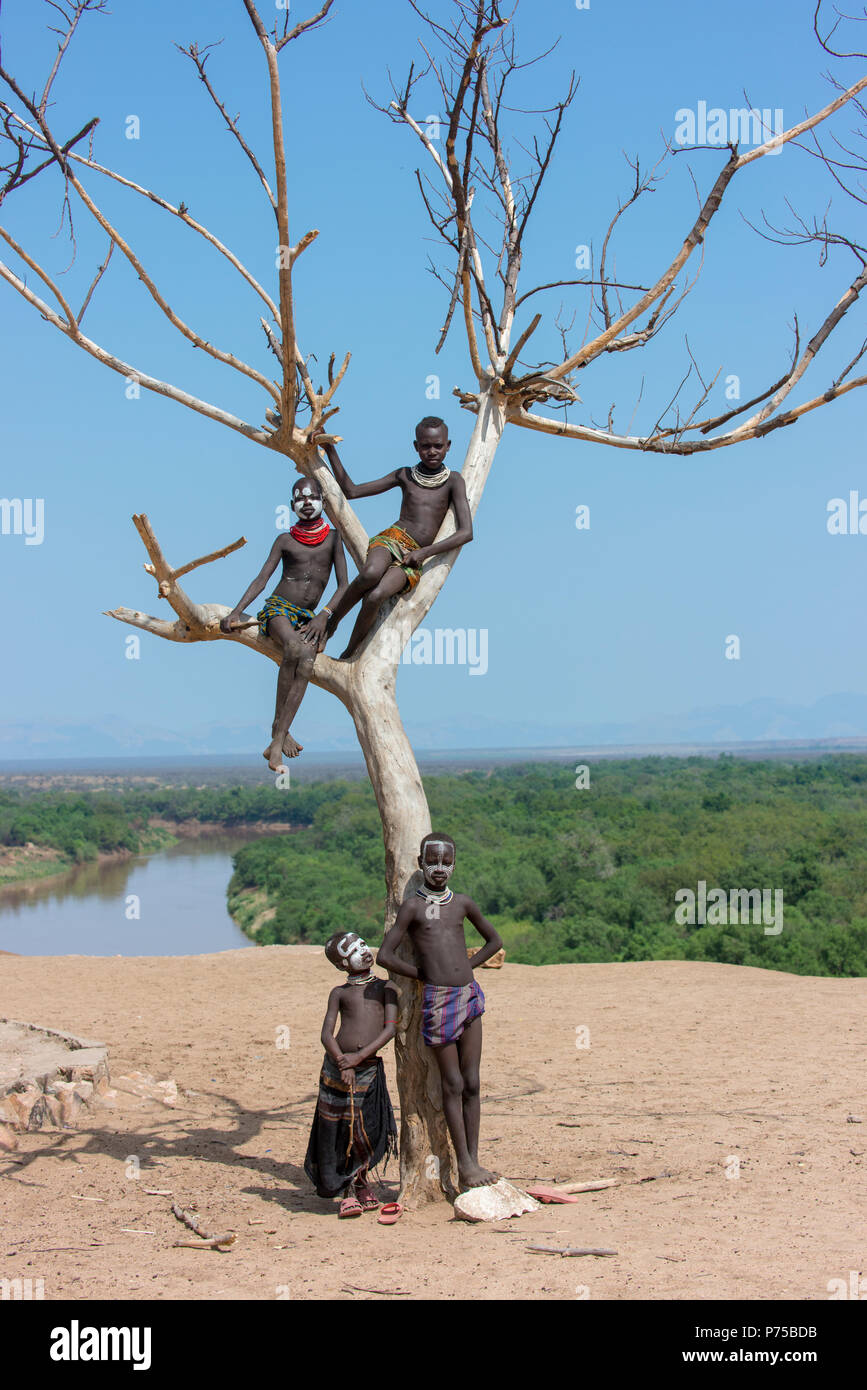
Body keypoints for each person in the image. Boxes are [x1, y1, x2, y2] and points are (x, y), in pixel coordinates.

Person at [376, 833, 503, 1192]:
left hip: (469, 996)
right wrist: (424, 976)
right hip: (438, 1001)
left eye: (446, 862)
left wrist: (468, 966)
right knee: (453, 1083)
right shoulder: (413, 908)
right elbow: (384, 956)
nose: (439, 869)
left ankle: (474, 1159)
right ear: (420, 863)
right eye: (432, 862)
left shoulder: (462, 903)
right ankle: (463, 1164)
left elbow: (495, 940)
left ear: (455, 864)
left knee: (473, 1082)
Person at [313, 417, 473, 658]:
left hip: (416, 556)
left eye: (438, 446)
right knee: (370, 574)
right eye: (425, 446)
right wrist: (331, 450)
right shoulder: (405, 475)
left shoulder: (454, 481)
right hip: (393, 539)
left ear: (448, 445)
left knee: (376, 595)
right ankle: (331, 624)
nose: (432, 451)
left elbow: (466, 532)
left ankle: (349, 653)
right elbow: (352, 491)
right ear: (415, 446)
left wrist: (422, 553)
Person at [220, 478, 348, 771]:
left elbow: (344, 586)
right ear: (292, 506)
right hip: (278, 608)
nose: (306, 502)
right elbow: (262, 578)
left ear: (323, 503)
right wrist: (237, 612)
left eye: (312, 496)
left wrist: (324, 615)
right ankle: (277, 740)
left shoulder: (334, 538)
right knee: (293, 647)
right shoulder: (285, 541)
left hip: (309, 617)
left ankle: (280, 730)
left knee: (306, 660)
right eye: (299, 498)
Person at [304, 931, 399, 1218]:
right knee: (337, 1130)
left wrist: (358, 1058)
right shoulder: (340, 993)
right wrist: (343, 1063)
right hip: (336, 1070)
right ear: (342, 965)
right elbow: (326, 1035)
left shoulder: (386, 988)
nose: (363, 951)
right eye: (353, 950)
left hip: (367, 1069)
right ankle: (346, 1190)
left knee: (365, 1129)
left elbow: (390, 1029)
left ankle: (361, 1182)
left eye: (361, 944)